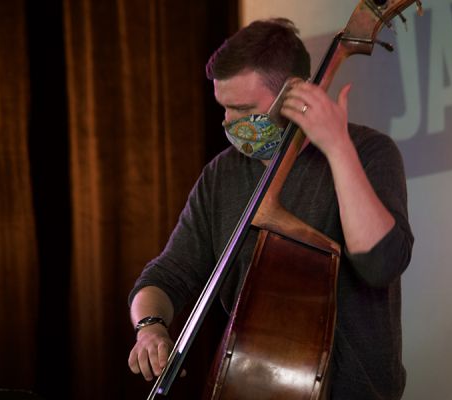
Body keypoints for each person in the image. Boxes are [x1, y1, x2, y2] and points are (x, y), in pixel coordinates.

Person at [128, 18, 413, 399]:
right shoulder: (220, 175)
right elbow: (168, 274)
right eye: (224, 108)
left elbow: (380, 264)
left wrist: (337, 148)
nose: (228, 121)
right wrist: (149, 327)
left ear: (294, 94)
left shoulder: (369, 152)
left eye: (242, 108)